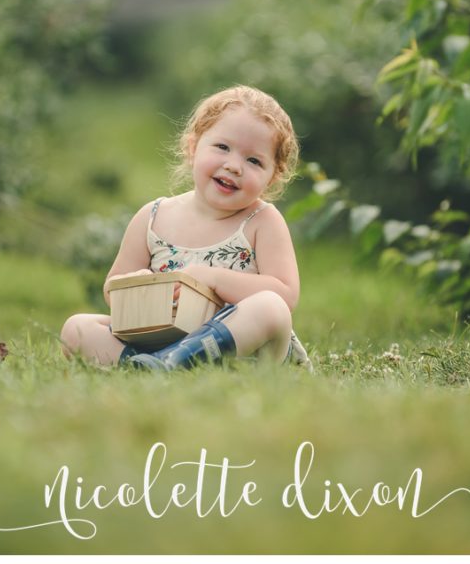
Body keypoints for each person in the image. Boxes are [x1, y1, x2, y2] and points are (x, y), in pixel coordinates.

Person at [60, 84, 309, 370]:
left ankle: (175, 362)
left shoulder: (262, 221)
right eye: (222, 147)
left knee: (271, 307)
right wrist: (137, 284)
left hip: (239, 349)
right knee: (76, 328)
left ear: (272, 178)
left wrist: (211, 278)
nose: (234, 166)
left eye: (253, 160)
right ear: (193, 148)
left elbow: (285, 295)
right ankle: (146, 366)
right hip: (161, 336)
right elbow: (111, 288)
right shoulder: (153, 217)